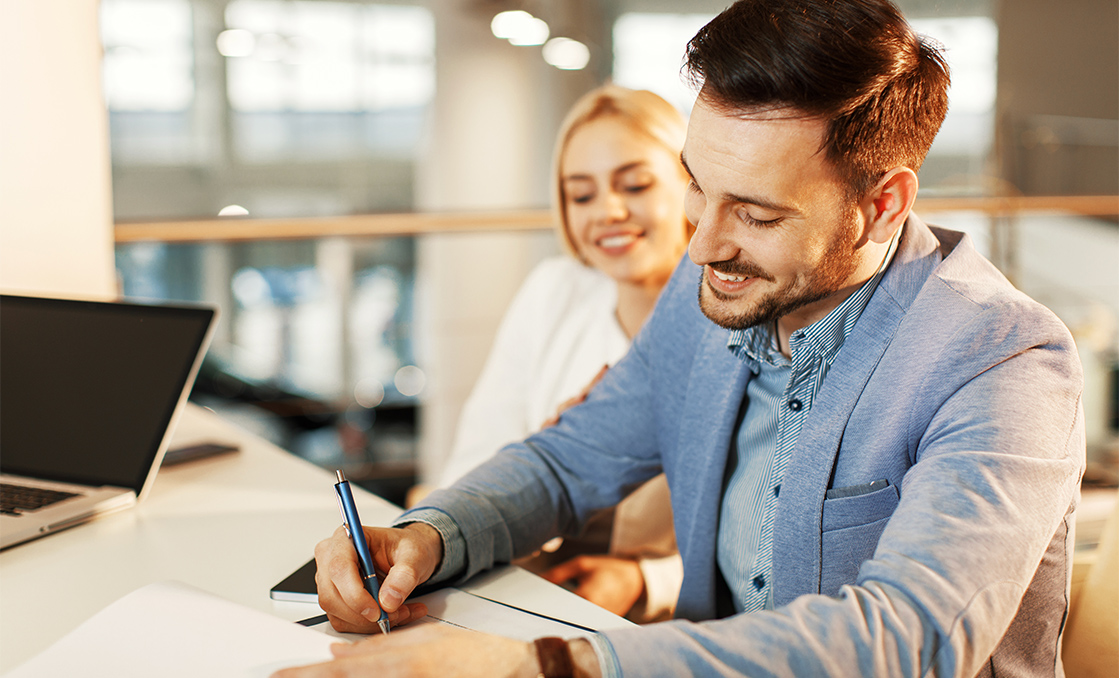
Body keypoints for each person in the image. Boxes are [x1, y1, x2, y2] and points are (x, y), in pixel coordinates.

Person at [279, 1, 1085, 676]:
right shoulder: (713, 289)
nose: (700, 245)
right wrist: (429, 535)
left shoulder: (1002, 361)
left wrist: (545, 666)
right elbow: (570, 460)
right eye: (698, 188)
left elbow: (909, 638)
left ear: (880, 205)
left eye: (757, 214)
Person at [432, 84, 690, 621]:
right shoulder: (555, 291)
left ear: (692, 183)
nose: (609, 212)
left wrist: (646, 580)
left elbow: (762, 536)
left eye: (636, 185)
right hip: (526, 585)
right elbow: (473, 461)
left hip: (668, 620)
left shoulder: (736, 317)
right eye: (581, 195)